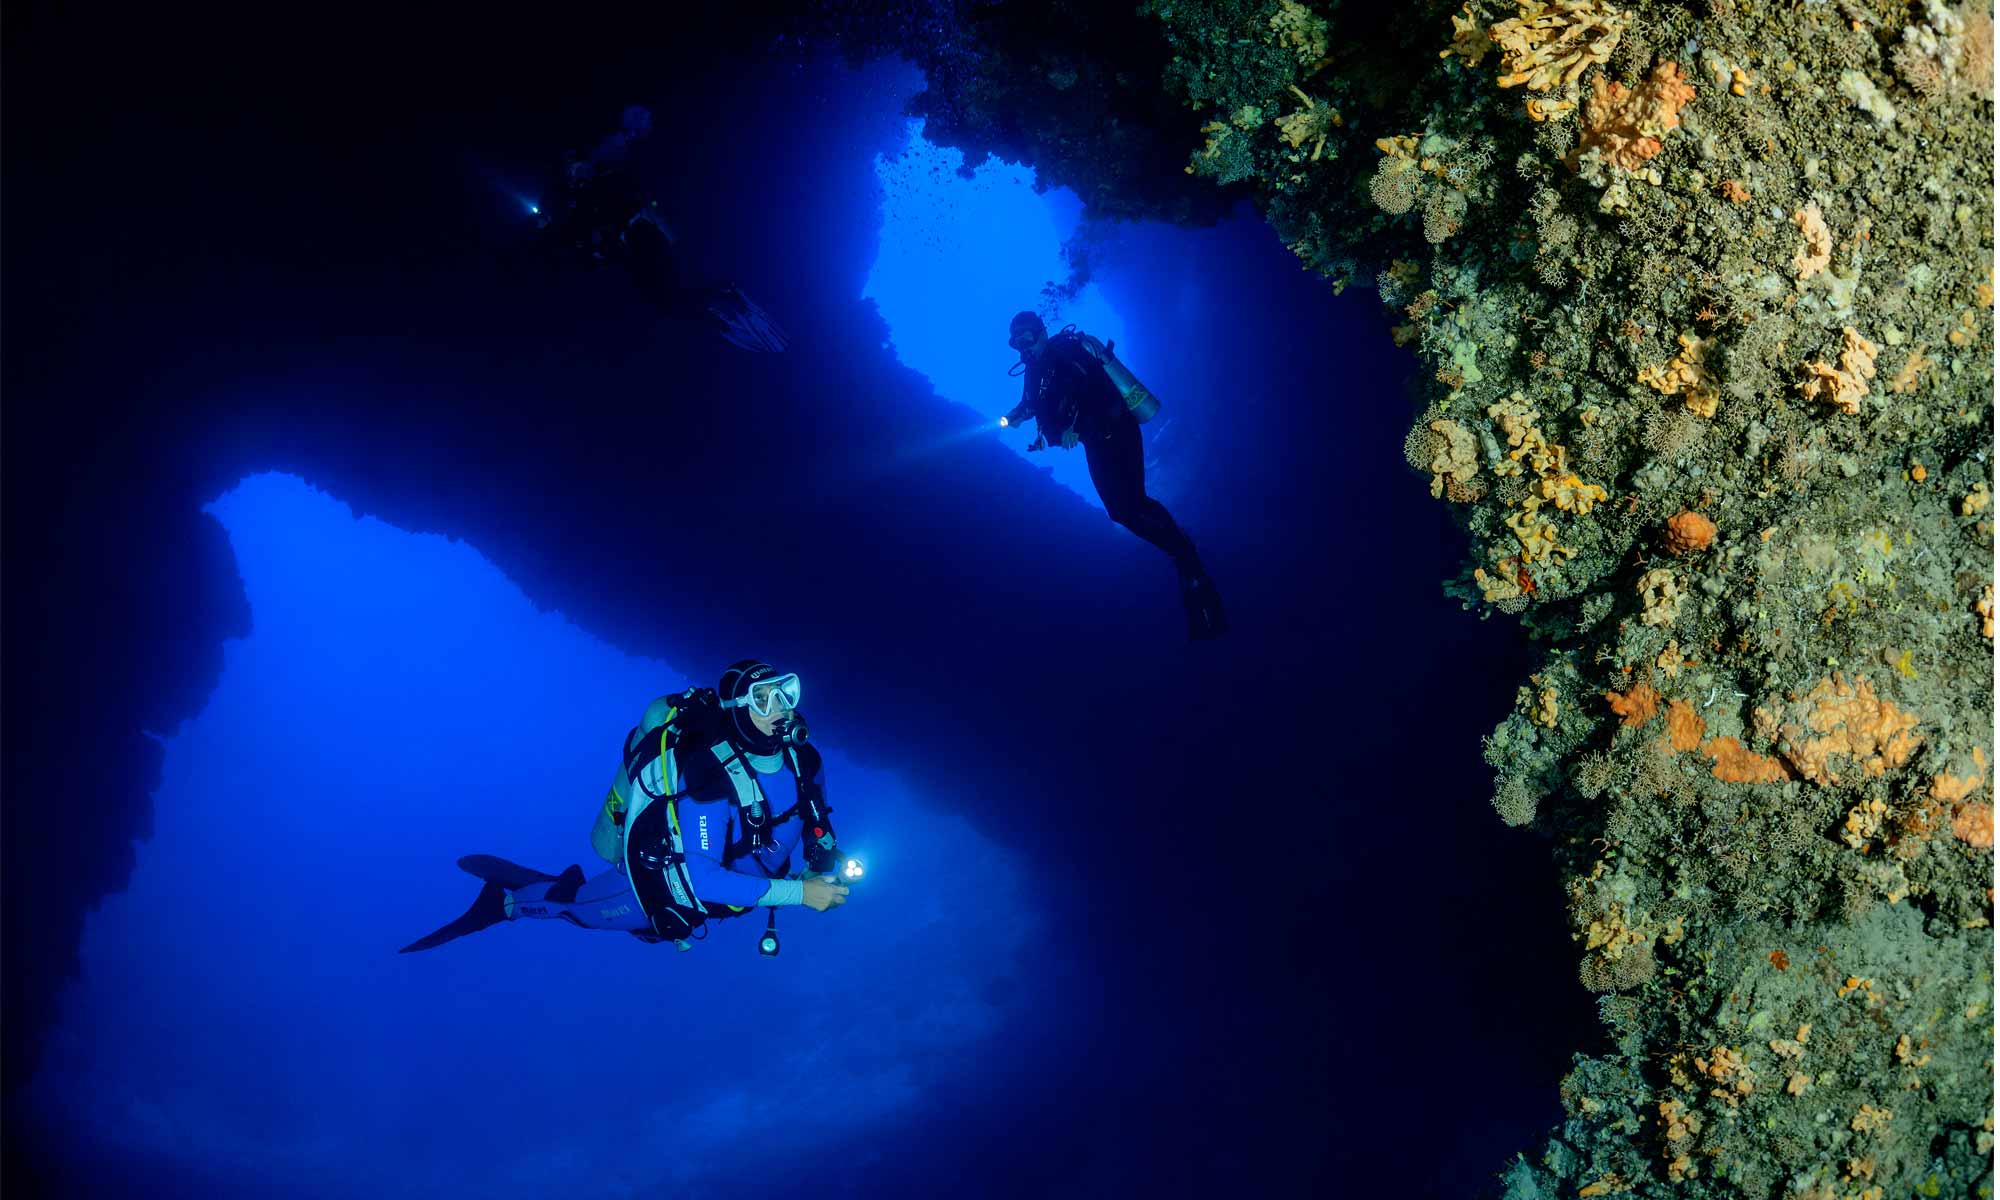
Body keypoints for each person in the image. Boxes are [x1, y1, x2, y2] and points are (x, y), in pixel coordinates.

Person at [400, 660, 850, 954]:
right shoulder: (709, 778)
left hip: (736, 896)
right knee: (575, 909)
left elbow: (815, 820)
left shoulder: (805, 759)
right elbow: (703, 879)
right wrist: (800, 895)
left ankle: (554, 889)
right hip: (655, 891)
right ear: (737, 710)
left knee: (623, 920)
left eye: (785, 692)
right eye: (764, 699)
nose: (782, 709)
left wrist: (819, 864)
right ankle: (506, 902)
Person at [1001, 310, 1227, 639]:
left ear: (1043, 333)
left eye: (1028, 337)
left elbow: (1094, 389)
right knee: (1119, 511)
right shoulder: (1034, 370)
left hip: (1117, 430)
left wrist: (1076, 426)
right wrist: (1018, 416)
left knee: (1131, 503)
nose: (1023, 345)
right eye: (1016, 341)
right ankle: (1180, 551)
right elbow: (1035, 402)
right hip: (1095, 442)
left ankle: (1184, 553)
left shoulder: (1067, 350)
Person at [528, 109, 788, 353]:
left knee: (668, 296)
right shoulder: (582, 202)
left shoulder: (603, 179)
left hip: (642, 234)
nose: (577, 174)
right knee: (666, 302)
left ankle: (722, 300)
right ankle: (717, 310)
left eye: (577, 168)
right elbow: (586, 244)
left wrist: (628, 132)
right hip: (634, 246)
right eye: (572, 171)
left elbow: (620, 175)